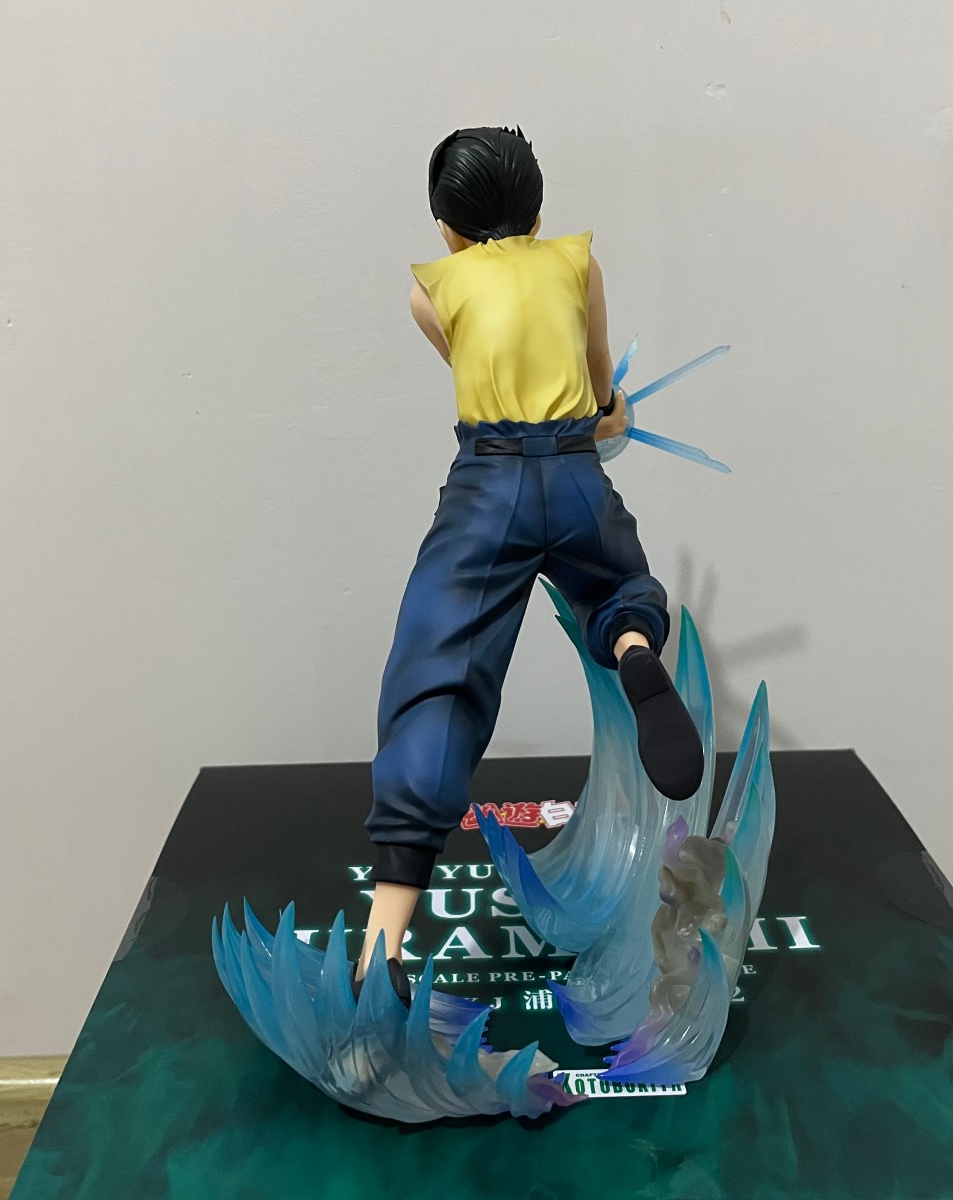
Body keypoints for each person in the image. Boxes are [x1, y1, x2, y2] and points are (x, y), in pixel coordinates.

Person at [357, 127, 704, 998]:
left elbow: (480, 365)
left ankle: (380, 948)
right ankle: (633, 648)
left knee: (441, 671)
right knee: (617, 583)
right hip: (575, 477)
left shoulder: (430, 292)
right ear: (539, 212)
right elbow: (596, 392)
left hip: (490, 487)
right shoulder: (578, 265)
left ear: (445, 227)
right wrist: (610, 411)